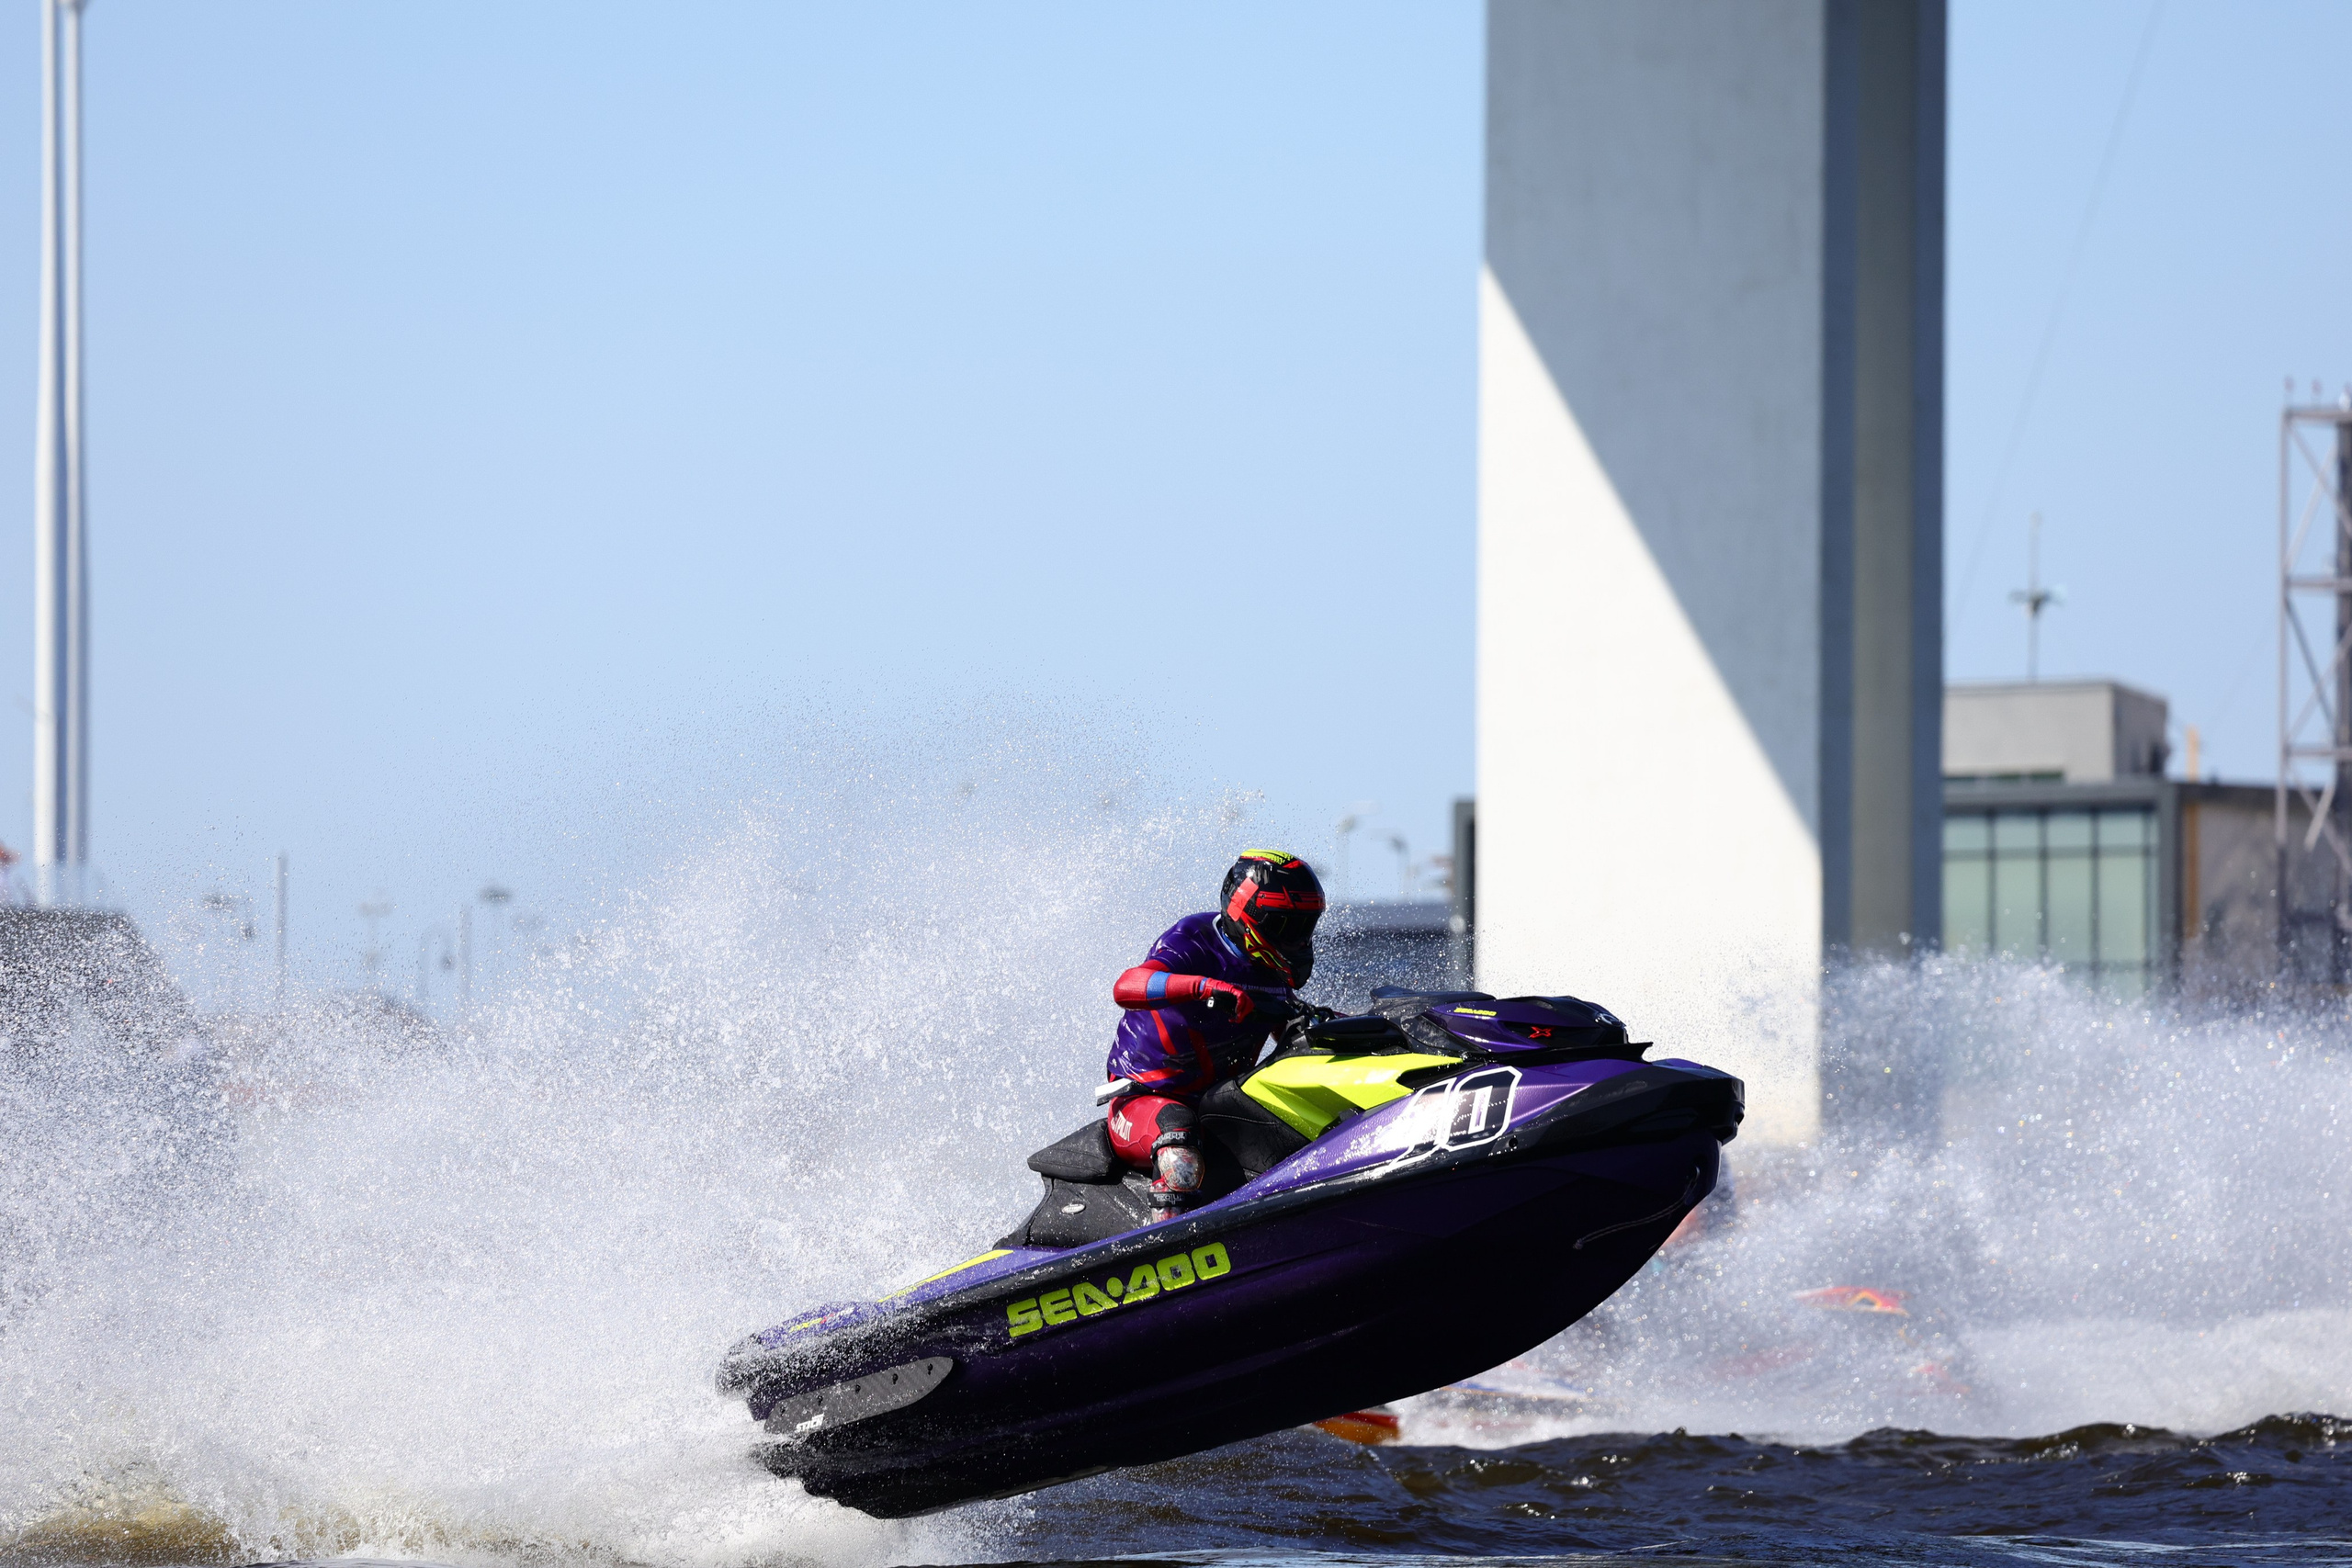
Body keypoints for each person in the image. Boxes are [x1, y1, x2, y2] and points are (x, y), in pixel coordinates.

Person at [1103, 850, 1326, 1221]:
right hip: (1144, 1101)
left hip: (1221, 1104)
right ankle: (1166, 1247)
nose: (1299, 941)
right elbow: (1126, 986)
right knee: (1180, 1149)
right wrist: (1203, 988)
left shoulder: (1271, 973)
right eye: (1287, 927)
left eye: (1305, 928)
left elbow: (1294, 1034)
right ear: (1249, 916)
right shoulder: (1194, 938)